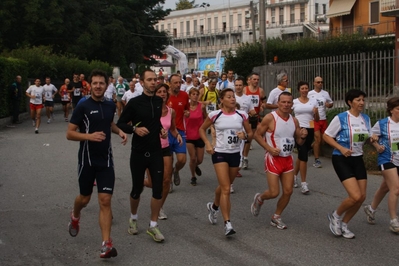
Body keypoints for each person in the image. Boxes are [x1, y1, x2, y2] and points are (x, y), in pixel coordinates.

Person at [66, 69, 127, 259]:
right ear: (90, 85)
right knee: (84, 199)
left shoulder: (110, 105)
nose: (98, 86)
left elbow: (109, 124)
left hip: (106, 160)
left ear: (106, 85)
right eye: (95, 83)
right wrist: (89, 136)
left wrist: (120, 132)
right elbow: (70, 133)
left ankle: (106, 244)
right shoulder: (83, 106)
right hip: (87, 160)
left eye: (101, 83)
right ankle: (75, 216)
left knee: (105, 200)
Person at [117, 70, 167, 243]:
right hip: (138, 152)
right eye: (150, 80)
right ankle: (133, 217)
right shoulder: (134, 103)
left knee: (158, 189)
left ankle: (153, 226)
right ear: (142, 82)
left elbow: (155, 120)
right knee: (137, 189)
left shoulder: (159, 101)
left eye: (155, 80)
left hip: (155, 151)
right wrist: (134, 130)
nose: (153, 82)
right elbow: (121, 123)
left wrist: (160, 129)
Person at [323, 89, 377, 239]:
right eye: (358, 100)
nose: (361, 103)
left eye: (363, 100)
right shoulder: (341, 118)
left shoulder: (365, 118)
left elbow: (367, 136)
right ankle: (336, 216)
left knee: (362, 197)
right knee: (354, 195)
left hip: (358, 158)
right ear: (350, 102)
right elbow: (326, 136)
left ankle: (345, 223)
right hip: (341, 158)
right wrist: (341, 148)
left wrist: (373, 140)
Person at [251, 92, 308, 229]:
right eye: (283, 102)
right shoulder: (270, 118)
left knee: (288, 191)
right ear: (278, 102)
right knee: (274, 192)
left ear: (292, 104)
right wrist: (269, 148)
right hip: (273, 159)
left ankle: (276, 216)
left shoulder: (294, 121)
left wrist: (303, 136)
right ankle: (260, 198)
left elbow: (299, 142)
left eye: (289, 102)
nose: (286, 105)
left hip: (287, 158)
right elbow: (257, 135)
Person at [200, 88, 252, 236]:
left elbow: (250, 133)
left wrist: (245, 135)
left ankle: (214, 207)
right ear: (221, 100)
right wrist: (208, 144)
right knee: (226, 189)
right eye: (229, 97)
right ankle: (227, 223)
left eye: (233, 97)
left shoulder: (242, 115)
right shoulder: (215, 115)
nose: (232, 99)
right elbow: (202, 129)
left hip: (235, 154)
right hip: (220, 153)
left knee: (225, 186)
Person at [144, 83, 182, 220]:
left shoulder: (171, 111)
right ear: (155, 94)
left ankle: (159, 207)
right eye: (159, 92)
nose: (162, 94)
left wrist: (177, 135)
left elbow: (172, 128)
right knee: (154, 183)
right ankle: (142, 182)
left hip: (165, 148)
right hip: (150, 148)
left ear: (167, 94)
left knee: (166, 181)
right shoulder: (149, 109)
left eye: (164, 92)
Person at [364, 96, 399, 233]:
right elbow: (371, 136)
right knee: (396, 188)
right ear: (391, 110)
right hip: (387, 159)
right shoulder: (383, 123)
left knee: (385, 187)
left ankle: (371, 209)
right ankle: (393, 221)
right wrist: (377, 146)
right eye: (398, 109)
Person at [292, 81, 319, 194]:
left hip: (310, 129)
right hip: (299, 129)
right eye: (302, 88)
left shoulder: (313, 101)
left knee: (302, 155)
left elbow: (316, 119)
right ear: (299, 90)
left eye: (306, 88)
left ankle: (293, 176)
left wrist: (316, 112)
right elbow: (289, 115)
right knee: (304, 156)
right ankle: (304, 184)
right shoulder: (294, 102)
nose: (304, 90)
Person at [167, 74, 190, 191]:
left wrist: (187, 113)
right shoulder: (164, 96)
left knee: (182, 160)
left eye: (179, 82)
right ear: (169, 83)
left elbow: (187, 109)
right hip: (166, 131)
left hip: (180, 130)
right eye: (175, 83)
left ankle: (176, 171)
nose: (178, 85)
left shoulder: (184, 95)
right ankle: (169, 181)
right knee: (169, 159)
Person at [233, 77, 256, 183]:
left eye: (240, 85)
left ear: (243, 86)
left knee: (240, 150)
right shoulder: (231, 97)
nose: (238, 87)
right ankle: (232, 169)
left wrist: (253, 113)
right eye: (236, 85)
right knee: (232, 149)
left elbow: (251, 110)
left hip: (243, 128)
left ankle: (236, 167)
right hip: (231, 127)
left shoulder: (247, 98)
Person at [308, 76, 334, 168]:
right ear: (314, 83)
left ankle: (311, 147)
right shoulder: (309, 93)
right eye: (318, 82)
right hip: (314, 119)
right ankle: (316, 160)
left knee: (323, 141)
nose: (320, 84)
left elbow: (331, 103)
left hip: (323, 119)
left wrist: (328, 105)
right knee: (318, 139)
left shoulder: (325, 93)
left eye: (321, 82)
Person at [242, 72, 266, 170]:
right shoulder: (245, 90)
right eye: (254, 79)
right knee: (242, 138)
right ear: (250, 80)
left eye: (257, 79)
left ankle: (245, 158)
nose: (256, 81)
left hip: (254, 117)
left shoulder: (260, 91)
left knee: (249, 139)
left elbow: (264, 102)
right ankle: (240, 155)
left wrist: (263, 106)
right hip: (243, 117)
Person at [185, 88, 207, 186]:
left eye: (196, 94)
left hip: (199, 135)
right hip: (189, 135)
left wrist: (207, 128)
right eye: (193, 94)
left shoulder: (201, 106)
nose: (195, 96)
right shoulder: (186, 107)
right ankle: (193, 176)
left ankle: (195, 166)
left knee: (200, 160)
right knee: (193, 158)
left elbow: (206, 118)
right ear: (189, 96)